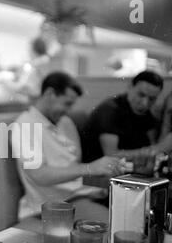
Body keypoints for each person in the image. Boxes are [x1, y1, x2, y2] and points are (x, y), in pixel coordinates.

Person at [12, 72, 126, 224]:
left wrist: (106, 176)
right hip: (58, 204)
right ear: (49, 93)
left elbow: (72, 170)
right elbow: (39, 174)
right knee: (117, 228)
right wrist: (90, 168)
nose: (69, 110)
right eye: (67, 103)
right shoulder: (25, 125)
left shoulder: (65, 122)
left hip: (87, 194)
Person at [83, 70, 172, 164]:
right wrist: (157, 149)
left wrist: (168, 111)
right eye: (141, 95)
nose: (145, 103)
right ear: (130, 87)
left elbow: (155, 147)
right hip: (96, 176)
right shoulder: (110, 110)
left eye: (152, 99)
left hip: (129, 171)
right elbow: (111, 154)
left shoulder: (145, 113)